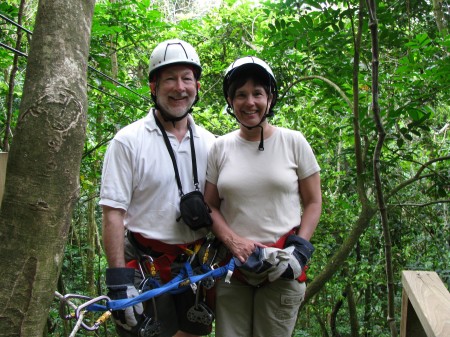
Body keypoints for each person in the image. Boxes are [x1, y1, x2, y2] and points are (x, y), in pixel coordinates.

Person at [99, 39, 216, 337]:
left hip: (195, 265)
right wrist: (118, 280)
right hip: (144, 263)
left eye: (187, 79)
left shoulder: (212, 144)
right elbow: (113, 212)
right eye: (169, 79)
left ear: (197, 86)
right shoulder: (129, 141)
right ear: (153, 86)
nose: (179, 87)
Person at [204, 56, 322, 337]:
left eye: (257, 93)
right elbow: (209, 205)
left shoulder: (293, 142)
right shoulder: (220, 148)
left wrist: (300, 249)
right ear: (230, 101)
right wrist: (234, 243)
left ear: (270, 98)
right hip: (234, 270)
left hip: (282, 268)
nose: (250, 102)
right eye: (240, 95)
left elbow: (314, 201)